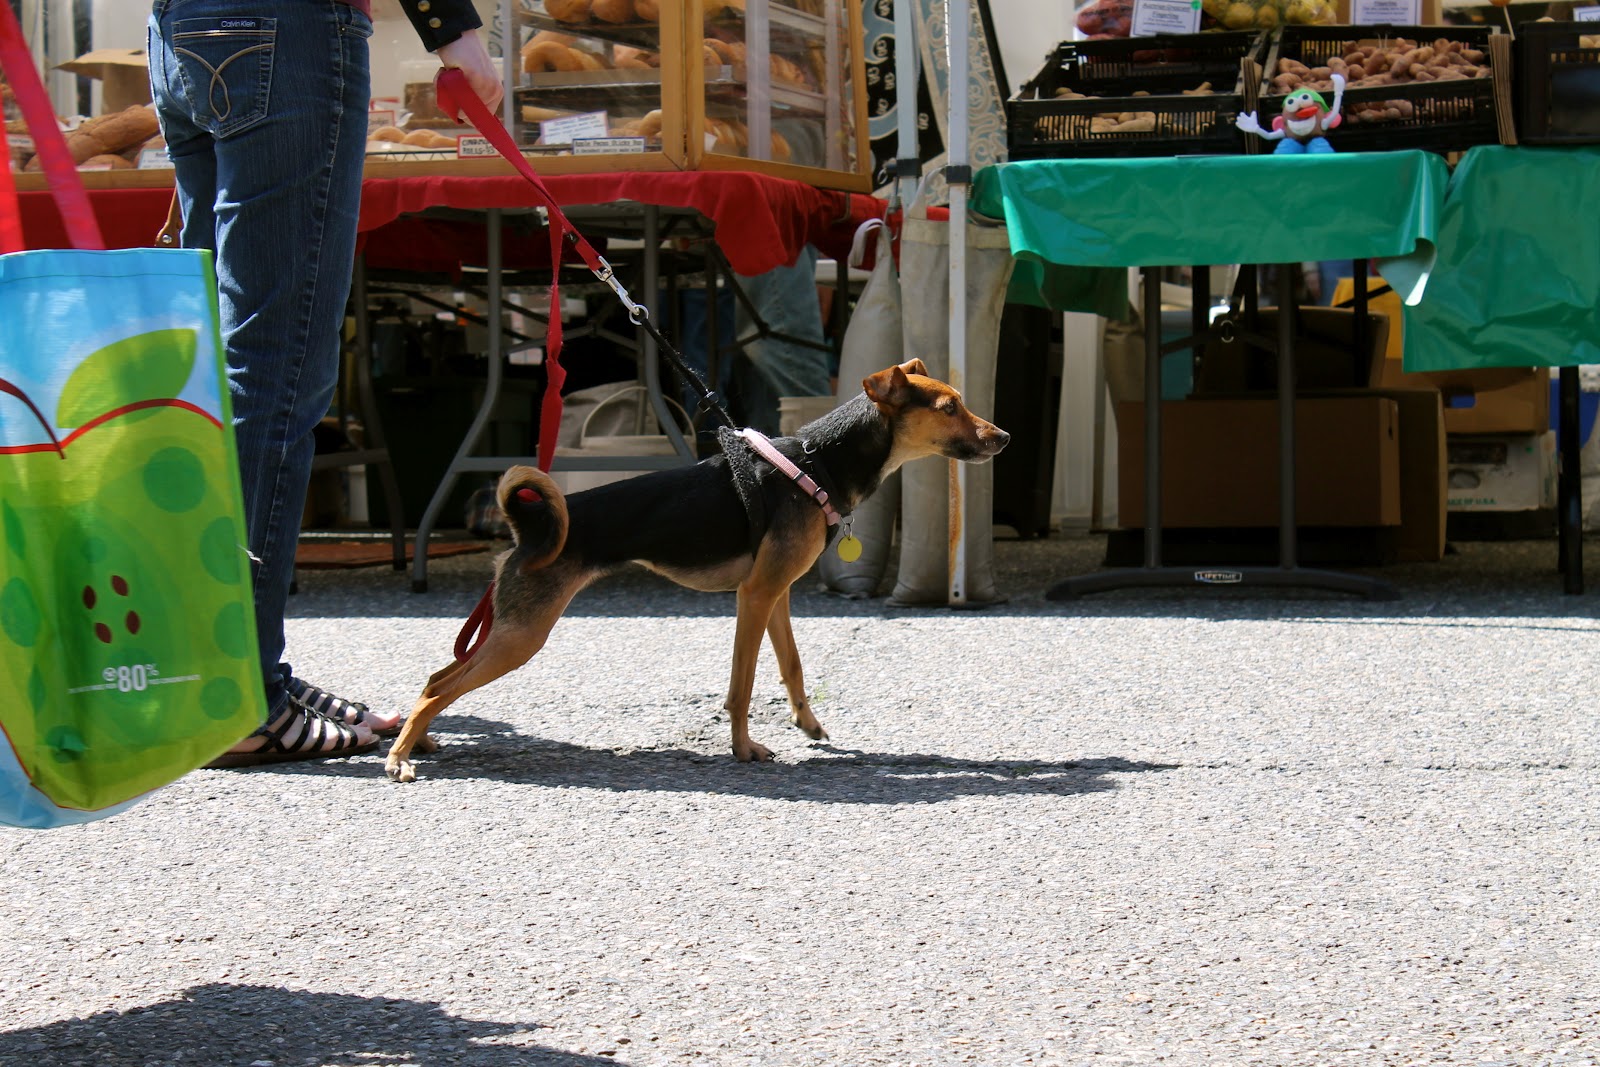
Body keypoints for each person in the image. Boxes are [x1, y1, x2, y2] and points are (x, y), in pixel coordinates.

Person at [146, 0, 504, 766]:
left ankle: (219, 678)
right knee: (273, 369)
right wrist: (454, 29)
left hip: (181, 27)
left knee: (219, 372)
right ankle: (242, 696)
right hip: (288, 27)